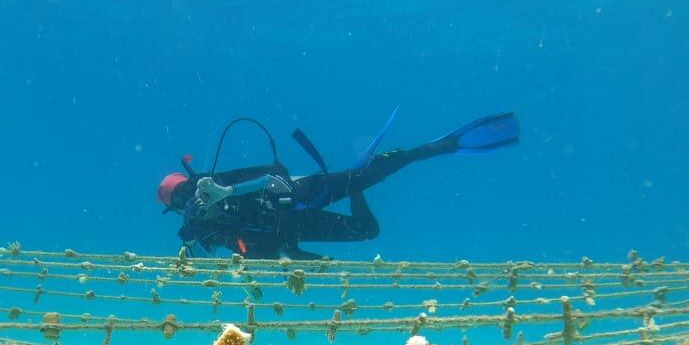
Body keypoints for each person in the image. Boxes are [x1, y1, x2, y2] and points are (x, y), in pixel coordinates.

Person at [156, 109, 520, 259]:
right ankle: (357, 182)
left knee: (368, 174)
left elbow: (272, 174)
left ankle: (437, 147)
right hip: (295, 231)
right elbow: (251, 254)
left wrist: (227, 191)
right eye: (180, 201)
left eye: (188, 190)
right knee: (367, 232)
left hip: (300, 193)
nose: (191, 199)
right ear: (174, 210)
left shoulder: (220, 182)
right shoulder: (203, 232)